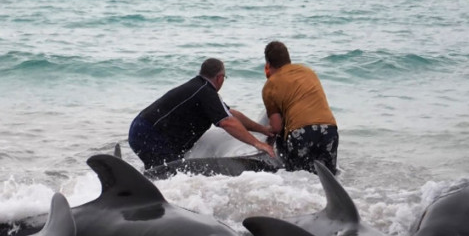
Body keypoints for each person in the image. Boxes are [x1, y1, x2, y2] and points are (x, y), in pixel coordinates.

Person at [128, 58, 275, 169]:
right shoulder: (205, 92)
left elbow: (231, 115)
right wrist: (258, 144)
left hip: (142, 129)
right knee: (170, 173)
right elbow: (227, 122)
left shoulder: (201, 89)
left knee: (163, 171)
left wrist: (263, 130)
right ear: (220, 78)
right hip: (149, 133)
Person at [261, 41, 339, 174]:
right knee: (327, 178)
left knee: (299, 177)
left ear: (268, 65)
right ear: (288, 59)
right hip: (329, 129)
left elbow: (277, 127)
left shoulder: (270, 85)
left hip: (301, 132)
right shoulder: (309, 72)